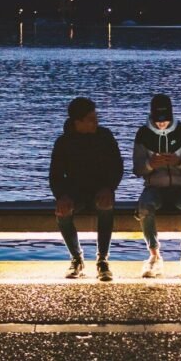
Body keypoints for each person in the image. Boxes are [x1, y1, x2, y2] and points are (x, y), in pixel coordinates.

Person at [50, 97, 123, 281]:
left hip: (101, 189)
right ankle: (76, 258)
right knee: (62, 212)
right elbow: (56, 175)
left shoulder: (105, 137)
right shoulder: (64, 142)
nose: (96, 122)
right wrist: (62, 196)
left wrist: (109, 188)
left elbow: (117, 166)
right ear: (78, 122)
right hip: (75, 192)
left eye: (95, 117)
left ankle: (103, 260)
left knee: (106, 205)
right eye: (91, 119)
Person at [133, 94, 181, 278]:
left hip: (180, 187)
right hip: (153, 187)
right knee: (145, 207)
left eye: (165, 120)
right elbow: (137, 169)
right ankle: (154, 256)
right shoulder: (143, 134)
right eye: (158, 120)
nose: (161, 124)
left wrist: (179, 162)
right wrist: (150, 165)